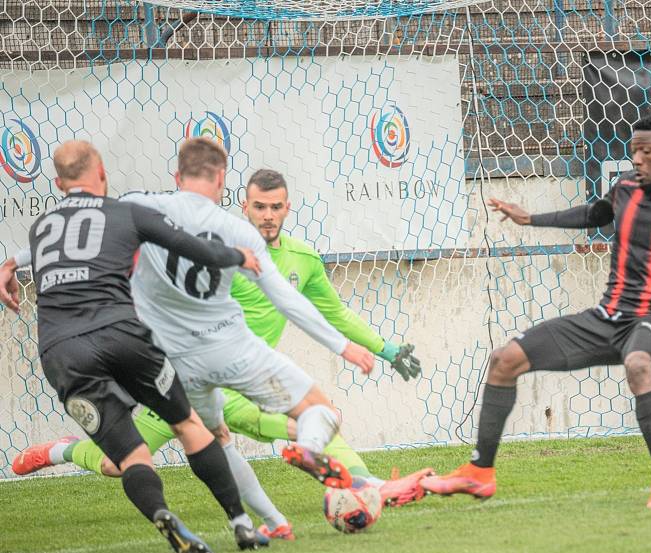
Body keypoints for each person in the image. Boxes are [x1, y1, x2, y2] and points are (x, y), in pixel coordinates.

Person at [14, 169, 432, 530]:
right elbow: (97, 233)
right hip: (189, 375)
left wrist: (387, 349)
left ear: (288, 208)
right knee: (115, 464)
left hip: (244, 378)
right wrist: (18, 258)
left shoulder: (303, 260)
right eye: (259, 207)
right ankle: (62, 450)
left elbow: (335, 313)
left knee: (314, 420)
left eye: (276, 207)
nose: (267, 215)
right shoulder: (217, 246)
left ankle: (362, 489)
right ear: (243, 205)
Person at [421, 112, 651, 508]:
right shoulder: (625, 187)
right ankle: (479, 473)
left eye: (647, 152)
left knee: (640, 366)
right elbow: (595, 215)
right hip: (604, 319)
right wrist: (531, 218)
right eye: (634, 152)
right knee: (504, 360)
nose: (638, 160)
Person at [0, 140, 268, 553]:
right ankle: (241, 524)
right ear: (102, 174)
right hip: (122, 335)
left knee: (130, 457)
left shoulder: (42, 227)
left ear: (57, 183)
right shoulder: (124, 212)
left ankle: (164, 516)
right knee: (189, 424)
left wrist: (10, 263)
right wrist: (238, 254)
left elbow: (34, 255)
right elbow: (194, 248)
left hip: (62, 353)